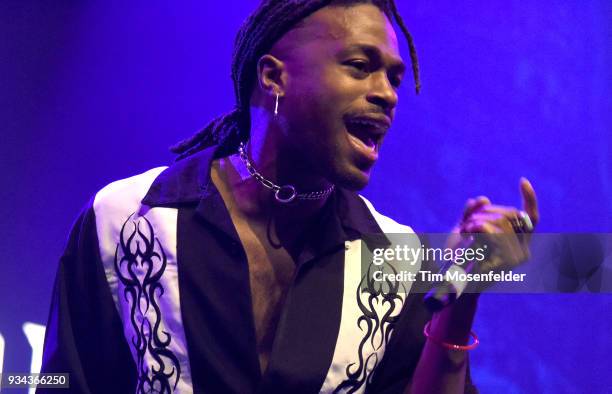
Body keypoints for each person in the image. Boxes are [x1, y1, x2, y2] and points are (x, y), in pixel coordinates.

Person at [39, 1, 539, 393]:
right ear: (274, 77)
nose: (387, 93)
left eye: (393, 76)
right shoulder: (127, 219)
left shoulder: (395, 260)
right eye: (361, 65)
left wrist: (461, 295)